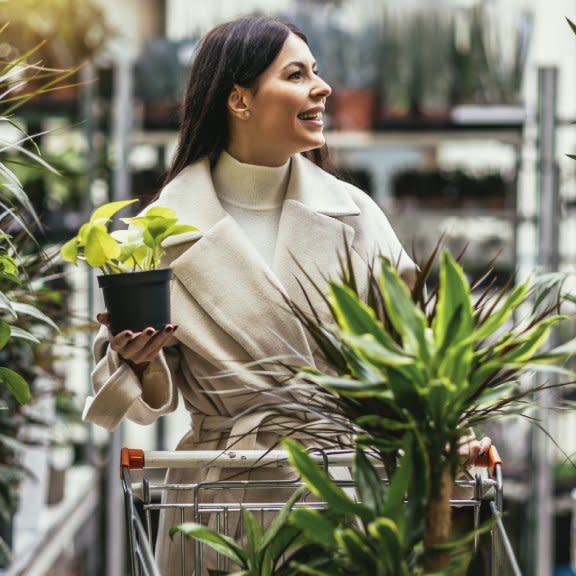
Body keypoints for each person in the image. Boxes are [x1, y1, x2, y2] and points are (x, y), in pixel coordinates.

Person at [83, 16, 490, 575]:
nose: (322, 88)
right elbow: (142, 396)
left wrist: (449, 431)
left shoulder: (354, 213)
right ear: (240, 100)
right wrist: (136, 360)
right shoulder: (160, 230)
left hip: (338, 487)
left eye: (316, 72)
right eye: (296, 74)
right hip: (218, 503)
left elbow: (416, 348)